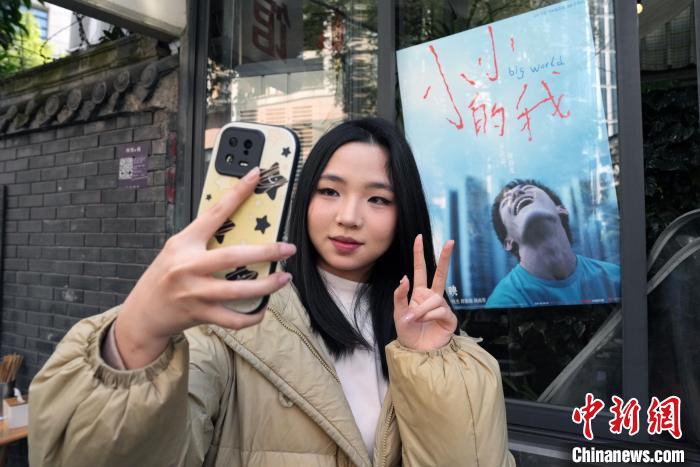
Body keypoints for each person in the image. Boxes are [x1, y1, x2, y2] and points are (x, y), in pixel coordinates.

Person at [29, 118, 514, 466]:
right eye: (329, 191)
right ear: (303, 200)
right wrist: (138, 337)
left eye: (377, 198)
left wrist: (433, 364)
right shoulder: (232, 319)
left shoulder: (434, 336)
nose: (348, 216)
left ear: (403, 210)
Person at [486, 178, 620, 308]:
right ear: (508, 242)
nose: (516, 192)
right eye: (506, 201)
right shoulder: (503, 301)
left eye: (527, 188)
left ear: (561, 209)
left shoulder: (616, 277)